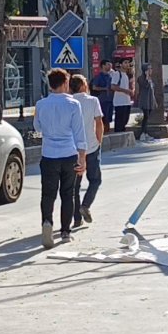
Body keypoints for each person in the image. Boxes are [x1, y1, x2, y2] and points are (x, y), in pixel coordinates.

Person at [33, 68, 86, 249]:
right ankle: (65, 232)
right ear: (64, 83)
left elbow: (37, 127)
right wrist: (83, 157)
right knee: (67, 193)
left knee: (48, 193)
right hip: (69, 153)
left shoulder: (41, 105)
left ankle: (47, 222)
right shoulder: (73, 104)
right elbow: (79, 133)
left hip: (48, 154)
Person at [69, 74, 104, 226]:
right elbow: (99, 122)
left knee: (75, 186)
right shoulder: (92, 100)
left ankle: (76, 218)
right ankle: (86, 205)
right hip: (91, 146)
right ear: (83, 85)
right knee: (95, 180)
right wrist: (98, 141)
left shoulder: (68, 102)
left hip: (73, 149)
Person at [136, 63, 157, 142]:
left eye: (151, 69)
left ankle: (145, 132)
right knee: (146, 116)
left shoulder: (151, 79)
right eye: (149, 69)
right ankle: (143, 132)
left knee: (148, 117)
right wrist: (147, 77)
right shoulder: (141, 78)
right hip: (144, 100)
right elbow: (145, 85)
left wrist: (154, 101)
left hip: (150, 100)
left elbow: (152, 90)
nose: (150, 70)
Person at [91, 59, 114, 132]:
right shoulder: (99, 77)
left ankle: (107, 131)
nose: (109, 66)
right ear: (103, 66)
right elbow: (94, 87)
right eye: (107, 64)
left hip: (110, 99)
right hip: (102, 100)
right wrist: (104, 88)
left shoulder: (110, 76)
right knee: (103, 118)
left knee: (109, 118)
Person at [111, 59, 133, 132]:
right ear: (120, 64)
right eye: (125, 63)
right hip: (119, 102)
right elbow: (113, 87)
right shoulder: (117, 74)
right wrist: (126, 91)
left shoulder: (126, 75)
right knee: (119, 122)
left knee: (125, 121)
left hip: (127, 101)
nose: (127, 64)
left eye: (128, 63)